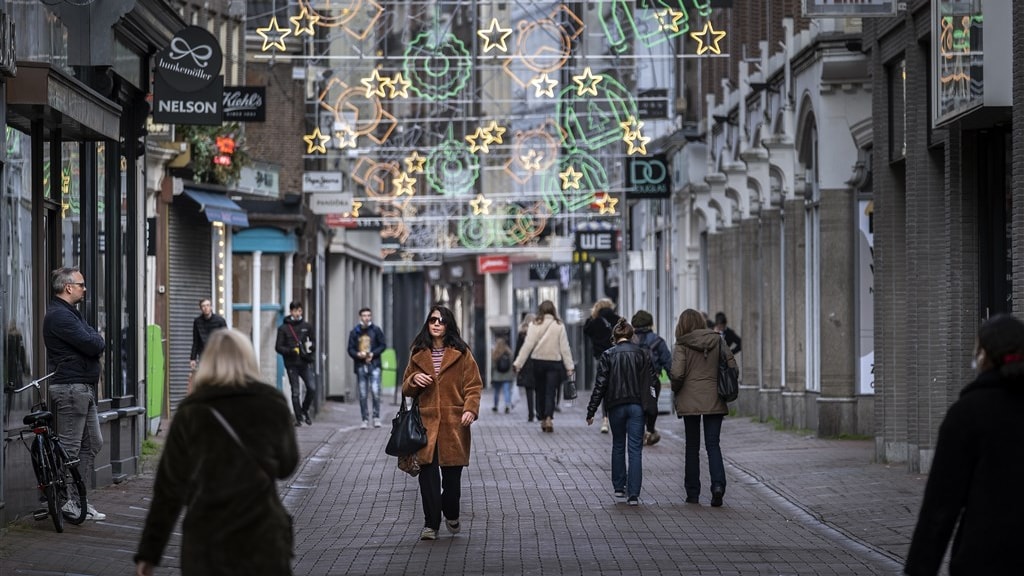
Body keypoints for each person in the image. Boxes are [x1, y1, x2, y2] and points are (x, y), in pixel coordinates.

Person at [134, 329, 299, 576]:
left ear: (207, 362)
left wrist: (149, 553)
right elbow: (287, 465)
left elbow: (168, 491)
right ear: (248, 359)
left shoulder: (191, 412)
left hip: (207, 541)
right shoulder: (272, 402)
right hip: (263, 537)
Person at [904, 314, 1024, 575]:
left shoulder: (967, 414)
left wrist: (919, 568)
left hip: (984, 558)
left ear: (983, 356)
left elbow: (940, 506)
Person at [401, 305, 482, 541]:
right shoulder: (418, 352)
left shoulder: (461, 353)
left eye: (441, 320)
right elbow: (406, 387)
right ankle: (430, 525)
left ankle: (452, 513)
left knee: (452, 483)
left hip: (454, 425)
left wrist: (470, 410)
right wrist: (414, 378)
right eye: (432, 320)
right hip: (425, 425)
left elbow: (474, 386)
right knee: (428, 480)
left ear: (448, 326)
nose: (436, 324)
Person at [42, 266, 106, 521]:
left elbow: (94, 340)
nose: (84, 288)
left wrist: (94, 339)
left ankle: (78, 500)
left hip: (81, 388)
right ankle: (67, 501)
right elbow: (94, 343)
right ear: (68, 287)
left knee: (93, 443)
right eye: (81, 284)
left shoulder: (70, 313)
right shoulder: (60, 316)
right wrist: (95, 339)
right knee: (70, 447)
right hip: (71, 388)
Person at [586, 320, 659, 506]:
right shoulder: (642, 354)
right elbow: (653, 381)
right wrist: (651, 406)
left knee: (618, 445)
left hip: (616, 406)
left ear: (615, 336)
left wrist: (592, 410)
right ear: (631, 334)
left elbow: (600, 385)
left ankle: (619, 488)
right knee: (635, 449)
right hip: (637, 406)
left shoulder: (608, 355)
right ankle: (633, 494)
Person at [670, 308, 737, 507]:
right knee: (712, 444)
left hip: (689, 399)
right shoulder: (718, 340)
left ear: (682, 324)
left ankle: (693, 492)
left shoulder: (681, 344)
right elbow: (733, 366)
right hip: (715, 398)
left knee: (692, 446)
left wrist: (677, 390)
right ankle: (718, 486)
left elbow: (677, 374)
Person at [513, 300, 574, 433]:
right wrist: (569, 366)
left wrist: (518, 363)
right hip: (554, 363)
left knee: (540, 390)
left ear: (540, 310)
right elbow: (565, 348)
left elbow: (527, 346)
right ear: (553, 310)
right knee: (551, 392)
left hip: (538, 362)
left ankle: (541, 416)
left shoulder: (534, 324)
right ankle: (548, 418)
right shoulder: (559, 325)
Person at [631, 310, 672, 446]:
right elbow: (668, 362)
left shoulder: (629, 340)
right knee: (651, 405)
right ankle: (649, 430)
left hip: (632, 380)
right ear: (651, 324)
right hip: (652, 380)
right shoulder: (658, 341)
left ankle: (638, 431)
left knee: (636, 405)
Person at [275, 301, 316, 427]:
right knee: (295, 391)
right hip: (291, 363)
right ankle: (298, 418)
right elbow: (278, 347)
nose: (297, 313)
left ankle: (304, 410)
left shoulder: (307, 326)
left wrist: (310, 348)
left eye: (299, 311)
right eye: (295, 311)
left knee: (311, 388)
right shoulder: (283, 328)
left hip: (304, 362)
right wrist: (290, 351)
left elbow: (313, 342)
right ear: (291, 311)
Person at [584, 298, 622, 433]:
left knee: (603, 386)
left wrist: (592, 316)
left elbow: (586, 330)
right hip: (617, 356)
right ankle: (619, 415)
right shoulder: (618, 319)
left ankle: (605, 419)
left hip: (601, 357)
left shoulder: (594, 321)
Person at [347, 307, 387, 429]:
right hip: (360, 365)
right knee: (363, 394)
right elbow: (350, 349)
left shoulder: (376, 330)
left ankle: (376, 417)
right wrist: (357, 355)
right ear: (360, 317)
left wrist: (373, 354)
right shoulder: (355, 332)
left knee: (375, 392)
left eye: (368, 315)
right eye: (364, 315)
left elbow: (383, 345)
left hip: (374, 365)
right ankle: (364, 419)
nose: (366, 317)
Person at [190, 298, 227, 371]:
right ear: (200, 308)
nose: (206, 308)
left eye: (208, 305)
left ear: (211, 307)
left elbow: (226, 339)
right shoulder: (197, 322)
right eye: (203, 306)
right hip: (204, 353)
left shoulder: (220, 321)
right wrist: (193, 358)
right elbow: (196, 341)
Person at [515, 313, 537, 422]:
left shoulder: (522, 334)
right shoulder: (539, 332)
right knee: (539, 389)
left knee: (529, 391)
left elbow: (518, 350)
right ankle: (539, 412)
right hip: (537, 363)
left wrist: (516, 364)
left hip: (526, 365)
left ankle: (530, 414)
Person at [490, 335, 514, 413]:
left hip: (497, 376)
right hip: (507, 376)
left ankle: (495, 406)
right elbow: (511, 364)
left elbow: (493, 366)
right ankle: (507, 405)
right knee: (506, 391)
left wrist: (492, 376)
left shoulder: (495, 353)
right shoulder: (509, 352)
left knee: (496, 391)